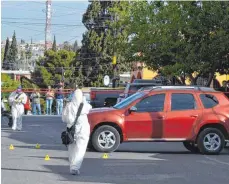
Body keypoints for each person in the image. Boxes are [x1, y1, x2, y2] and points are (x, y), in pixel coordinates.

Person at [62, 87, 92, 175]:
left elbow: (64, 118)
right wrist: (84, 100)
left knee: (71, 148)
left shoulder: (69, 105)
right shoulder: (84, 105)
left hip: (71, 129)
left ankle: (72, 165)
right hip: (83, 129)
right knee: (80, 149)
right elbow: (90, 107)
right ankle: (75, 167)